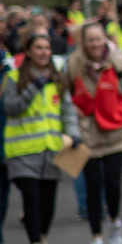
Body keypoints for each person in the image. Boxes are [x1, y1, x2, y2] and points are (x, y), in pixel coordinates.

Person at [67, 23, 122, 244]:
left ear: (105, 39)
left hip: (117, 132)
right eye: (90, 39)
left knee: (113, 183)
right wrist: (71, 116)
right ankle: (96, 236)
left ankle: (114, 222)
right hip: (86, 135)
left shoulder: (118, 61)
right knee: (92, 184)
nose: (95, 44)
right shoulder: (73, 64)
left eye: (98, 39)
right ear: (83, 42)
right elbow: (62, 93)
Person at [4, 34, 81, 244]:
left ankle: (42, 237)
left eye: (47, 48)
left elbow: (67, 110)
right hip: (22, 152)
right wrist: (34, 87)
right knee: (32, 200)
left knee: (48, 206)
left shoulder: (58, 79)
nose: (43, 52)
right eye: (38, 48)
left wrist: (74, 133)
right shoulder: (13, 78)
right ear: (28, 52)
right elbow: (11, 107)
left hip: (51, 152)